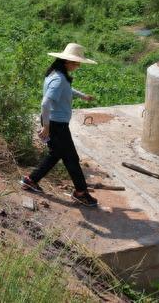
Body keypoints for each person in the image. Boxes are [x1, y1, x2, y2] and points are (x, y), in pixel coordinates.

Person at [21, 43, 99, 207]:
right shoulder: (58, 79)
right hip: (56, 125)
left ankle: (31, 180)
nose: (77, 66)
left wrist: (83, 96)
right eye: (76, 63)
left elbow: (66, 90)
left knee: (55, 154)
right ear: (66, 62)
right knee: (71, 159)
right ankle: (81, 193)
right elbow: (45, 104)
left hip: (55, 123)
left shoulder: (57, 74)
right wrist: (47, 127)